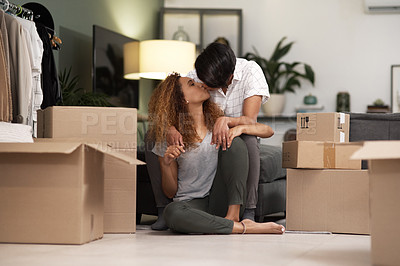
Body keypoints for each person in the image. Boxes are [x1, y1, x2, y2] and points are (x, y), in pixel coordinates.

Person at [147, 73, 284, 235]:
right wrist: (166, 163)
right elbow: (170, 192)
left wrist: (239, 128)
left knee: (235, 141)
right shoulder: (171, 137)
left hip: (222, 201)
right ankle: (244, 227)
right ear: (182, 99)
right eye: (191, 84)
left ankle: (232, 217)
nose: (201, 84)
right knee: (172, 212)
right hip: (191, 204)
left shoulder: (218, 123)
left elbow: (268, 130)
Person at [165, 42, 269, 223]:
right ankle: (161, 209)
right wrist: (170, 128)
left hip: (237, 138)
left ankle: (249, 211)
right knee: (155, 136)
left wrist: (227, 121)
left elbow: (251, 121)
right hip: (209, 138)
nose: (202, 85)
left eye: (208, 84)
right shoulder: (197, 77)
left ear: (227, 79)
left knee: (247, 139)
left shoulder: (250, 71)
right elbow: (169, 104)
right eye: (199, 81)